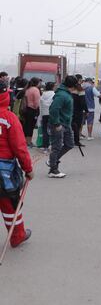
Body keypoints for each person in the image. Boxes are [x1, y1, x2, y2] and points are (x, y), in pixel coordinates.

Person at [0, 81, 34, 248]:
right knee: (10, 206)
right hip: (3, 172)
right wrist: (28, 169)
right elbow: (20, 148)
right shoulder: (9, 118)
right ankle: (17, 236)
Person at [47, 75, 79, 178]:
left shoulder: (66, 93)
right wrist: (56, 123)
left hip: (66, 123)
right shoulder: (61, 95)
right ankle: (53, 169)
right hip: (59, 124)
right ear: (73, 85)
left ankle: (53, 160)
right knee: (56, 146)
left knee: (69, 144)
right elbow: (53, 109)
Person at [22, 77, 41, 148]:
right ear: (37, 83)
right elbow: (37, 103)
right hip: (33, 110)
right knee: (31, 127)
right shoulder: (35, 90)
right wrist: (37, 109)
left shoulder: (27, 89)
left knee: (26, 126)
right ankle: (29, 142)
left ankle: (25, 141)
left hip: (26, 109)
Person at [39, 81, 55, 152]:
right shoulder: (54, 94)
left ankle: (45, 146)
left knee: (45, 130)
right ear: (52, 87)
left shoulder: (43, 94)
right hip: (52, 114)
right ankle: (52, 145)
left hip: (44, 114)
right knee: (52, 130)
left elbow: (40, 105)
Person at [71, 83, 88, 149]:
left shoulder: (70, 92)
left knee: (71, 126)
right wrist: (86, 110)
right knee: (77, 127)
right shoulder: (81, 92)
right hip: (78, 111)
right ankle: (76, 141)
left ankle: (70, 140)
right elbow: (83, 102)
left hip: (71, 110)